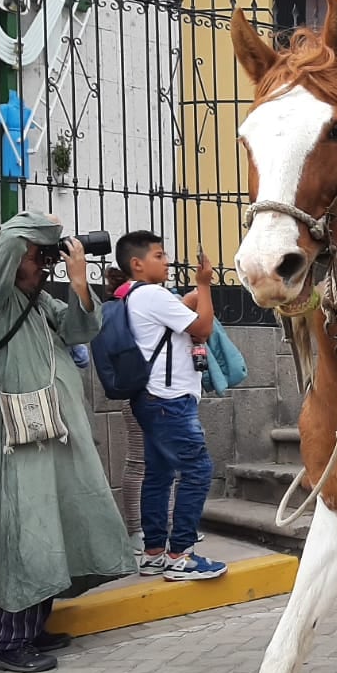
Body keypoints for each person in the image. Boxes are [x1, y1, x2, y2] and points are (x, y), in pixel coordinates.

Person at [0, 213, 138, 672]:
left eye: (46, 256)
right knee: (23, 524)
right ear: (9, 257)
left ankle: (33, 626)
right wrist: (41, 232)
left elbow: (83, 330)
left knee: (53, 521)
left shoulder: (38, 303)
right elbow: (6, 249)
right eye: (36, 256)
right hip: (17, 435)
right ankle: (8, 641)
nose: (43, 263)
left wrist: (79, 281)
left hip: (52, 433)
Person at [118, 231, 227, 581]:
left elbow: (174, 322)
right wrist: (205, 286)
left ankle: (153, 554)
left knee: (160, 475)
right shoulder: (152, 294)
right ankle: (181, 554)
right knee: (198, 470)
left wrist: (193, 295)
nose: (166, 261)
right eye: (159, 255)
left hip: (152, 398)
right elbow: (204, 329)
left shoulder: (137, 297)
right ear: (137, 264)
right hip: (169, 401)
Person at [104, 266, 148, 569]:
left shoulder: (121, 304)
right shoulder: (142, 302)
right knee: (142, 462)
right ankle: (139, 533)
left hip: (135, 392)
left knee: (145, 462)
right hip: (147, 393)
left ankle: (145, 531)